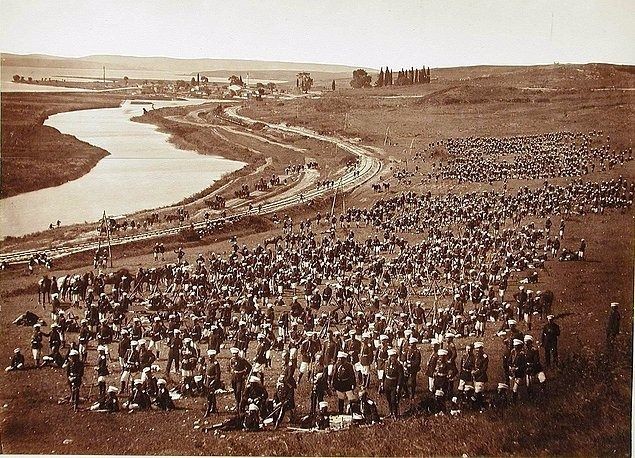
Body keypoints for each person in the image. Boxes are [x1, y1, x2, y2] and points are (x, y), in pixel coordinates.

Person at [383, 348, 404, 418]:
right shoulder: (386, 363)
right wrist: (382, 383)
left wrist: (398, 386)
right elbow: (384, 374)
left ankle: (395, 413)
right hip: (387, 384)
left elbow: (401, 377)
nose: (392, 358)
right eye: (391, 356)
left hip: (394, 385)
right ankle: (390, 412)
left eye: (393, 356)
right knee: (388, 399)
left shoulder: (398, 365)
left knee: (393, 400)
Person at [203, 350, 221, 417]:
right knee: (211, 395)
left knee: (209, 396)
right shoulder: (207, 362)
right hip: (208, 380)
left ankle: (208, 410)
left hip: (213, 381)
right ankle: (213, 408)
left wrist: (214, 381)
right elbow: (206, 372)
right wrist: (205, 379)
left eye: (211, 356)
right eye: (209, 356)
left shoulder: (216, 364)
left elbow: (218, 374)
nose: (210, 357)